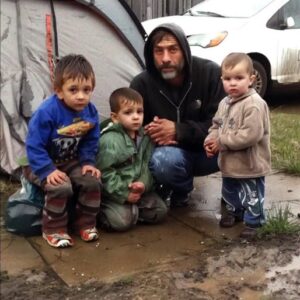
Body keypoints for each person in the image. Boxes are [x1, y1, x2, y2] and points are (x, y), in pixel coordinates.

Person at [130, 23, 225, 207]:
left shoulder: (210, 74)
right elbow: (132, 131)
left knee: (236, 146)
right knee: (162, 161)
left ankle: (235, 196)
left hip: (209, 154)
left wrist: (178, 130)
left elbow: (225, 125)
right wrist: (152, 132)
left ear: (184, 50)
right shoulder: (141, 84)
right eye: (159, 51)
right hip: (171, 156)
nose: (166, 58)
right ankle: (181, 189)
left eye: (173, 49)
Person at [25, 54, 101, 248]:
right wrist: (47, 170)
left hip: (69, 160)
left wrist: (88, 162)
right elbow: (34, 145)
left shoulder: (90, 112)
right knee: (61, 186)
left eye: (87, 90)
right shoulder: (47, 112)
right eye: (73, 90)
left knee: (92, 180)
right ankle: (53, 229)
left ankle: (84, 224)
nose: (81, 96)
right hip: (38, 162)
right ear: (59, 91)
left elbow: (90, 141)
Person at [204, 52, 271, 238]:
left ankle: (255, 221)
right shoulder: (224, 103)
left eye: (239, 78)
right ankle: (235, 212)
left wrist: (221, 142)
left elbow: (250, 135)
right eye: (227, 79)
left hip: (250, 165)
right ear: (222, 80)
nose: (232, 83)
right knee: (230, 191)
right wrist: (211, 140)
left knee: (252, 194)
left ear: (251, 79)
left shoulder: (254, 104)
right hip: (229, 163)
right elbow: (216, 124)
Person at [96, 87, 168, 232]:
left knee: (161, 211)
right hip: (115, 194)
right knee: (121, 222)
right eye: (128, 112)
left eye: (139, 112)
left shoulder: (145, 137)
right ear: (115, 117)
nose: (135, 117)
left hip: (138, 191)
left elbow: (147, 165)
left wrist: (143, 184)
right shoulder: (110, 140)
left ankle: (132, 211)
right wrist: (124, 193)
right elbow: (104, 173)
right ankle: (103, 212)